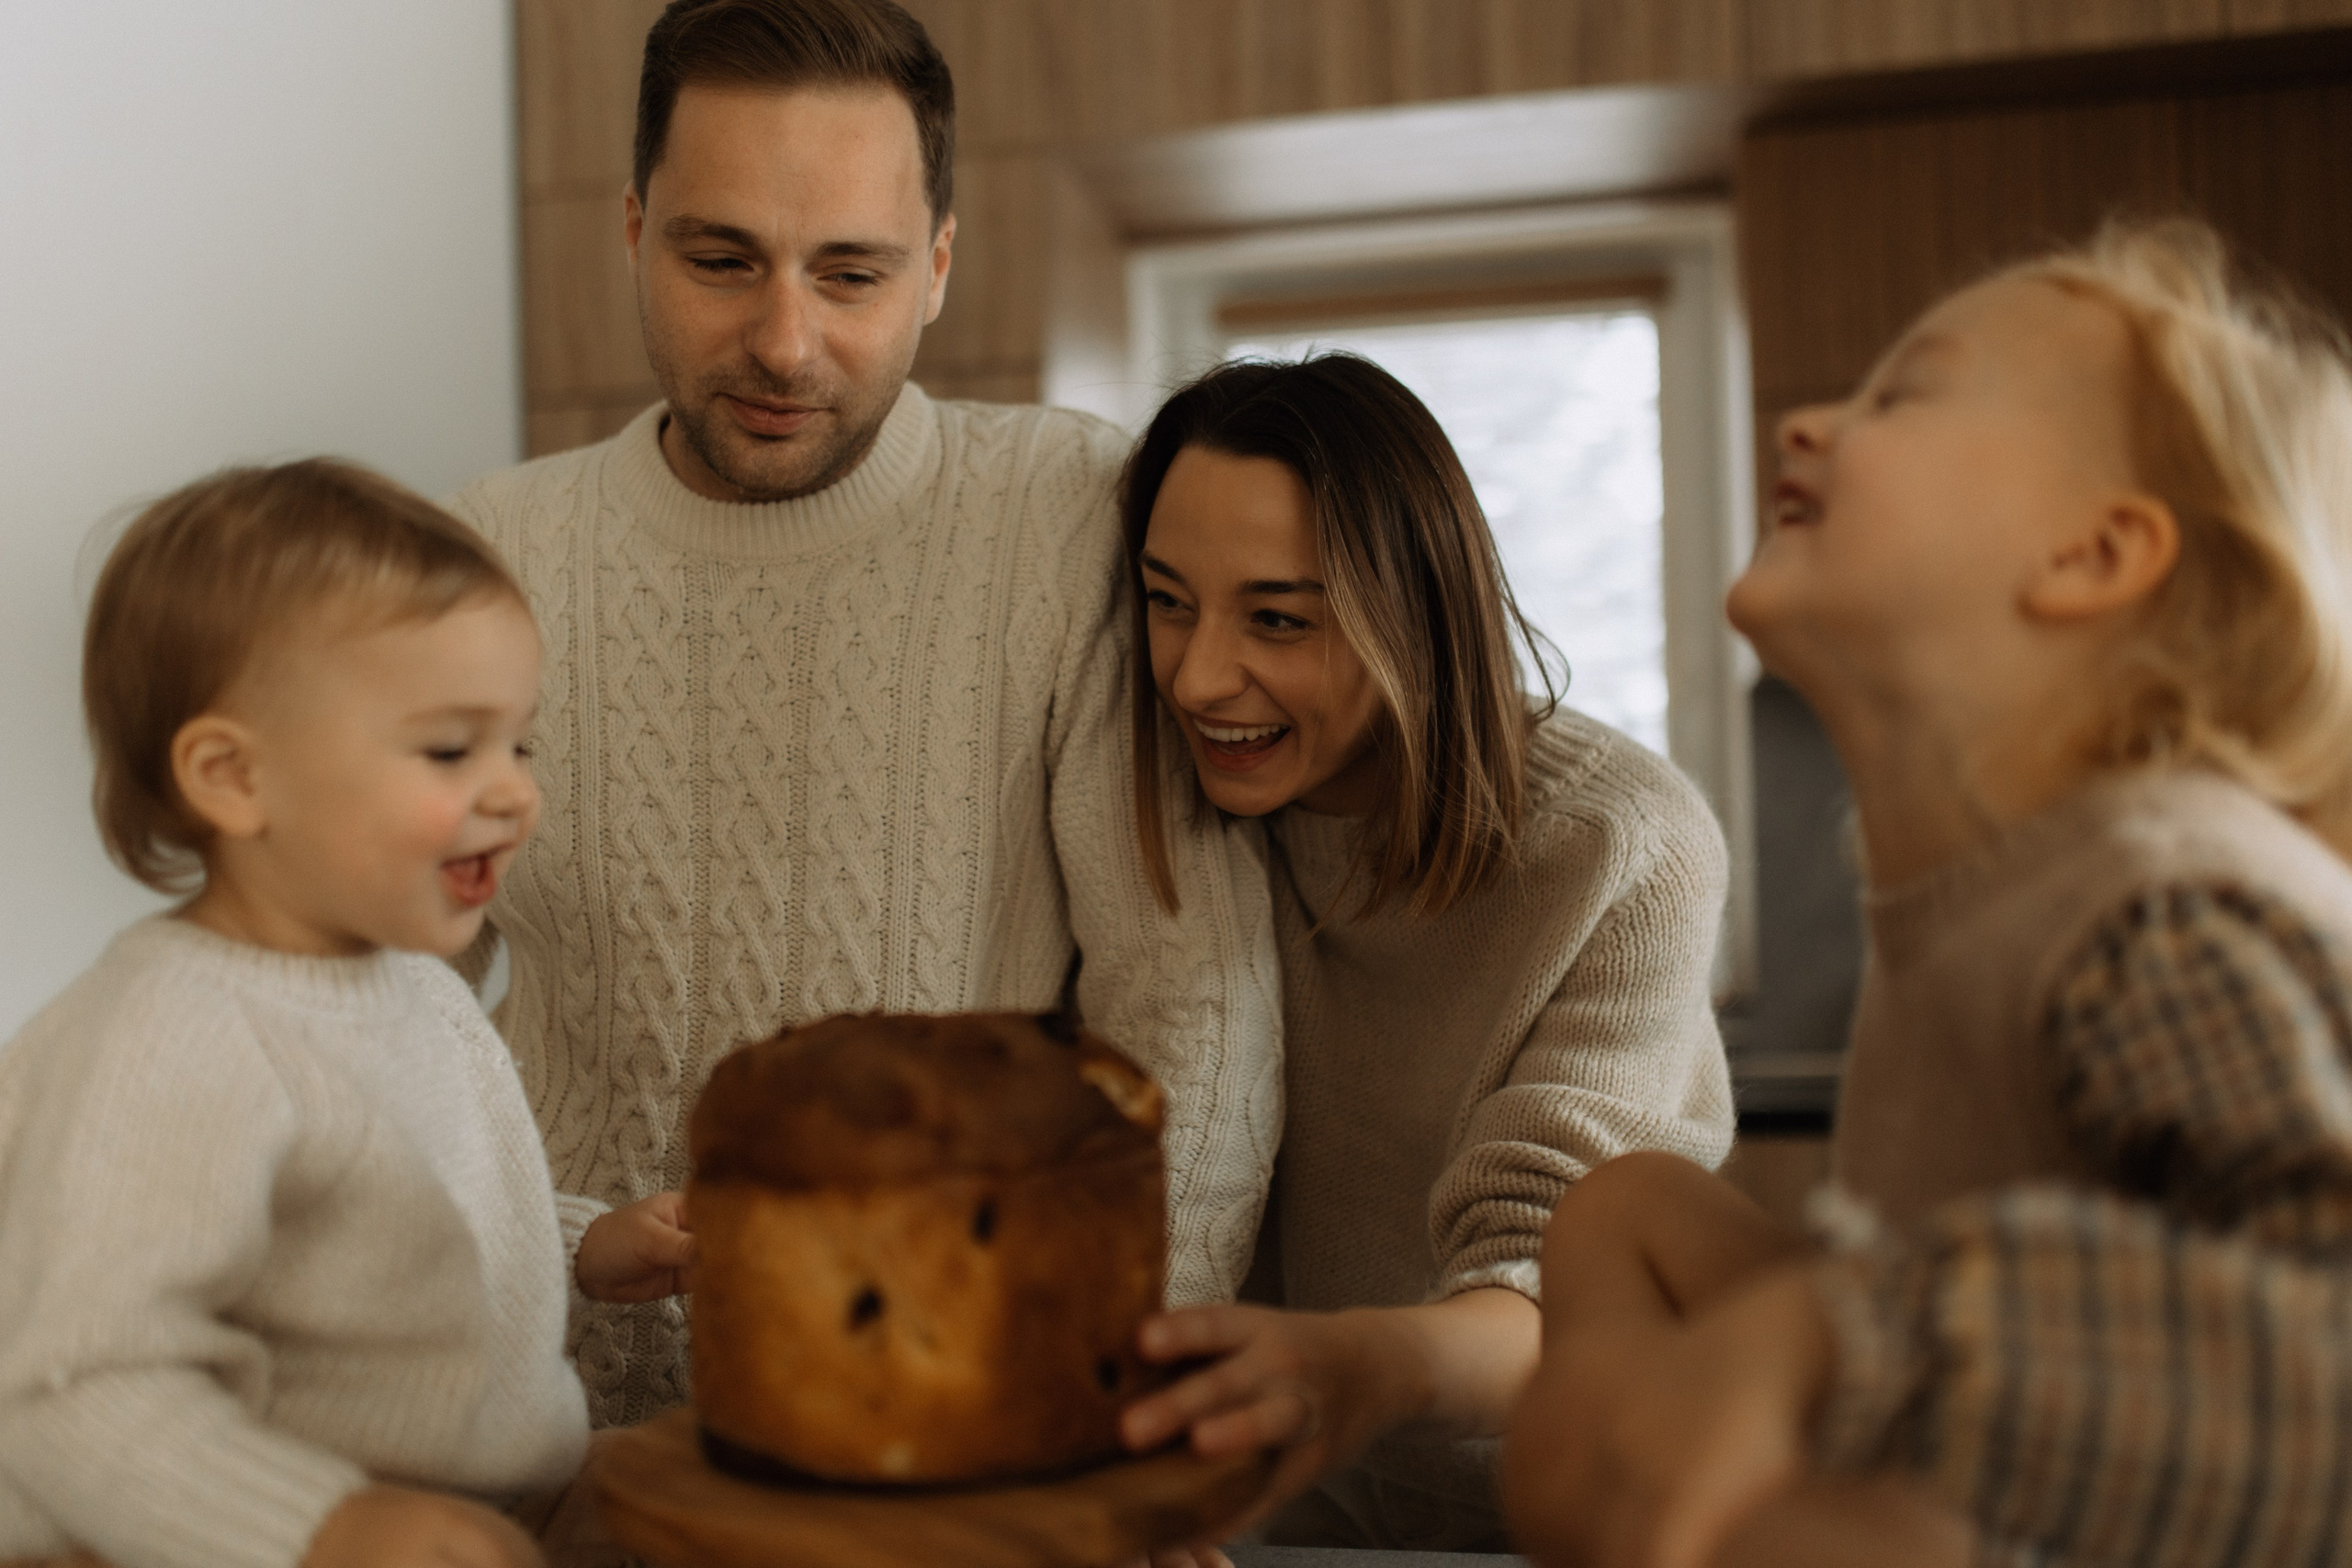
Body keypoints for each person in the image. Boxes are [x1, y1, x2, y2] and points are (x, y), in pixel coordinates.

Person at [444, 0, 1281, 1431]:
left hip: (957, 1413)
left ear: (939, 266)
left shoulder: (1073, 515)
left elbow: (1190, 995)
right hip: (544, 1418)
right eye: (721, 259)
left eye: (853, 273)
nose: (785, 341)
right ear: (634, 227)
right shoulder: (480, 557)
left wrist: (1117, 1378)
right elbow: (390, 1004)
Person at [1504, 219, 2352, 1568]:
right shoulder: (1989, 898)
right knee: (1627, 1203)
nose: (1803, 423)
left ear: (2090, 555)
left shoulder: (2160, 900)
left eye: (1902, 395)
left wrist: (1839, 1333)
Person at [0, 462, 692, 1568]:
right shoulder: (170, 1041)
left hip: (478, 1508)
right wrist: (317, 1525)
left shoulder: (409, 980)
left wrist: (580, 1245)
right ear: (234, 778)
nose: (515, 792)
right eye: (450, 749)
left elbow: (408, 1216)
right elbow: (72, 1386)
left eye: (522, 744)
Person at [1107, 355, 1736, 1555]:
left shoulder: (1622, 847)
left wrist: (1350, 1360)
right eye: (1167, 598)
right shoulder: (1162, 803)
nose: (1196, 675)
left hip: (1553, 1513)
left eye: (1278, 617)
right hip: (1265, 1521)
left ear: (1415, 614)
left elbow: (1559, 1285)